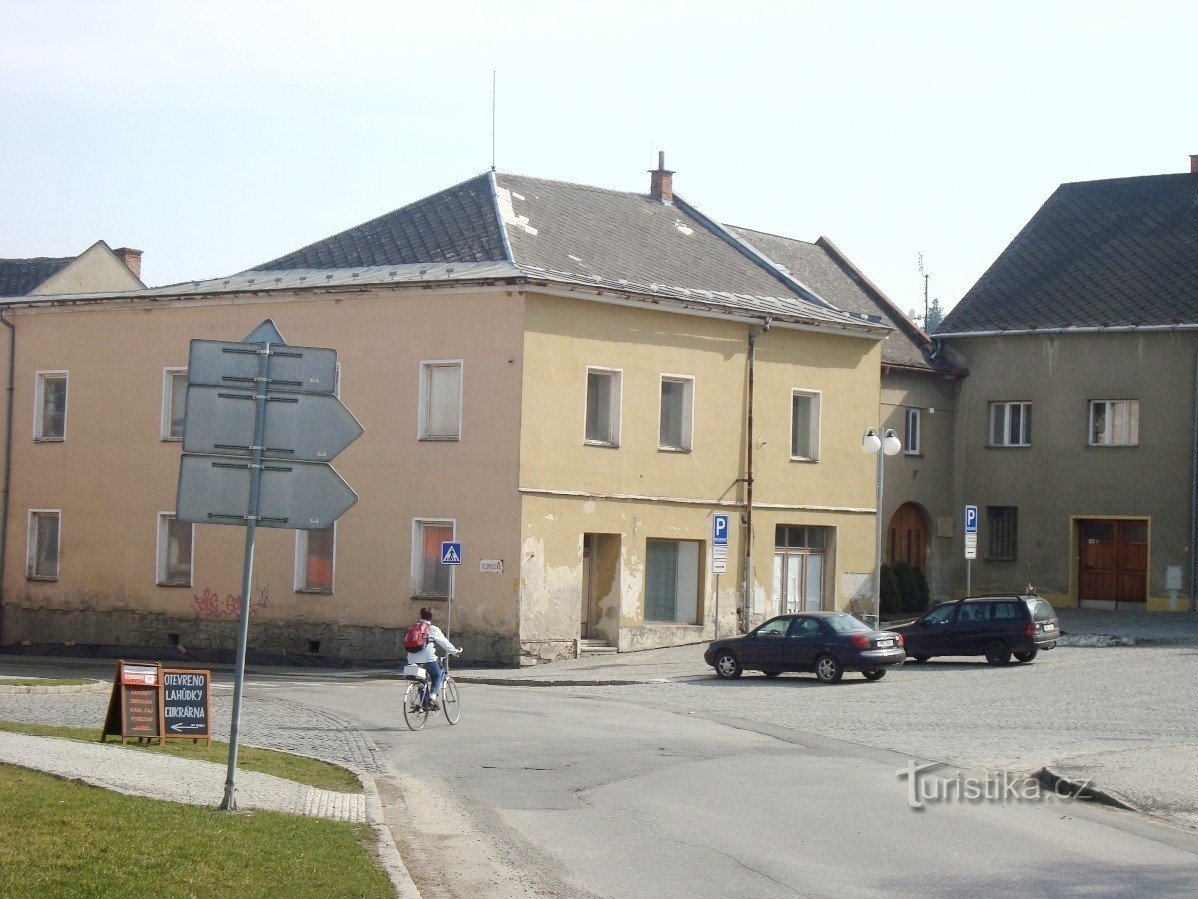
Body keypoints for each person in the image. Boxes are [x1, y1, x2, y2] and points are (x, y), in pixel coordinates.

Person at [406, 606, 461, 708]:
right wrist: (454, 651)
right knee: (437, 676)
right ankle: (432, 698)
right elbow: (444, 642)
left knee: (421, 680)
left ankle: (423, 703)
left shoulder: (413, 627)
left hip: (411, 659)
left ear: (420, 615)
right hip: (428, 659)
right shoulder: (432, 629)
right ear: (431, 617)